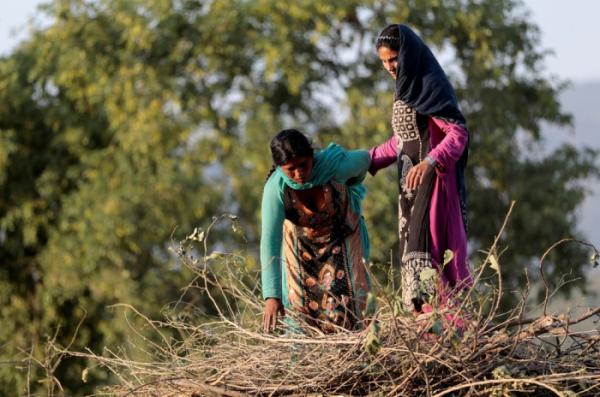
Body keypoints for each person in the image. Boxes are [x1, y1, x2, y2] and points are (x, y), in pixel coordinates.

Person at [369, 24, 471, 312]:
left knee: (432, 258)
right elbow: (401, 142)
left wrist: (431, 161)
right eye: (384, 62)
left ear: (408, 54)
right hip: (409, 192)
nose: (389, 66)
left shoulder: (430, 85)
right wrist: (365, 160)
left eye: (393, 59)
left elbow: (458, 133)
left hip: (433, 188)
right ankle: (424, 333)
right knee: (413, 260)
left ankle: (444, 332)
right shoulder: (406, 88)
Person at [260, 129, 371, 333]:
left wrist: (351, 184)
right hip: (301, 253)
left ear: (312, 156)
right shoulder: (276, 189)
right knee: (301, 316)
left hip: (343, 243)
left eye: (303, 165)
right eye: (290, 169)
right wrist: (272, 296)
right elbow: (270, 241)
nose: (299, 174)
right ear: (279, 168)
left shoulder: (334, 167)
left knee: (354, 308)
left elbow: (365, 159)